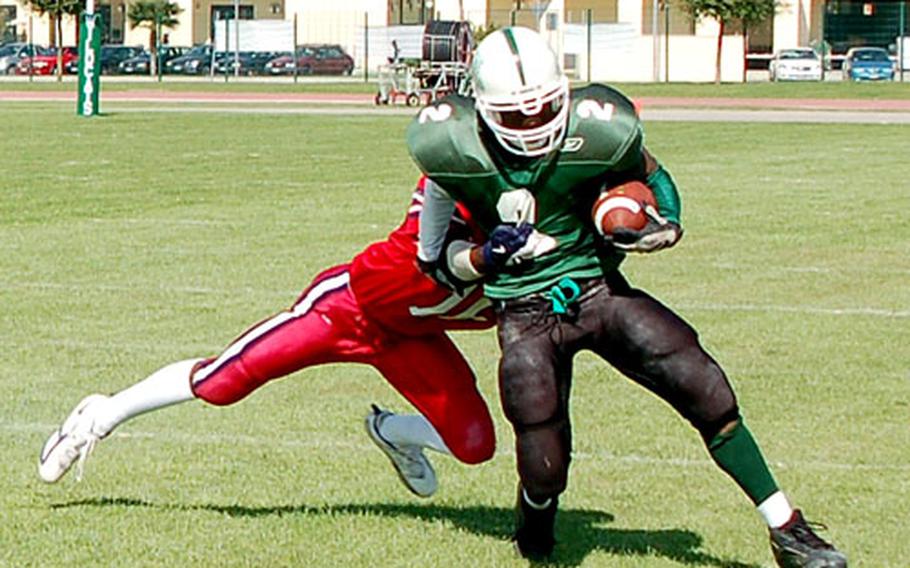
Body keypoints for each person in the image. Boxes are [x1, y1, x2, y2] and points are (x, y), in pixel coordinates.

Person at [408, 26, 847, 568]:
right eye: (516, 115)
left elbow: (657, 184)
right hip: (524, 312)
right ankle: (535, 519)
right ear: (483, 110)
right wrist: (483, 258)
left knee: (703, 384)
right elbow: (435, 262)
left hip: (595, 288)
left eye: (544, 108)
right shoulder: (449, 146)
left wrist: (659, 227)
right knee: (544, 461)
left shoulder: (598, 129)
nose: (533, 124)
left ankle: (789, 528)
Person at [38, 177, 514, 498]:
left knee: (475, 445)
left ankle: (389, 432)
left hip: (413, 337)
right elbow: (438, 235)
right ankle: (100, 415)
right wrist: (482, 256)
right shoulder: (446, 209)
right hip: (346, 311)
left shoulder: (531, 269)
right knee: (220, 383)